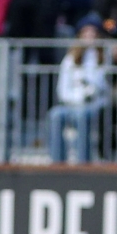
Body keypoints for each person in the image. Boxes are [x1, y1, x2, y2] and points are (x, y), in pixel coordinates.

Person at [47, 14, 109, 163]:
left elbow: (102, 84)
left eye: (93, 32)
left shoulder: (105, 56)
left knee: (82, 116)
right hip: (73, 103)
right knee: (55, 115)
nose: (90, 36)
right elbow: (62, 88)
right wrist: (77, 97)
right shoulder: (70, 58)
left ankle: (83, 162)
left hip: (96, 104)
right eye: (86, 32)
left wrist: (88, 91)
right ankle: (57, 162)